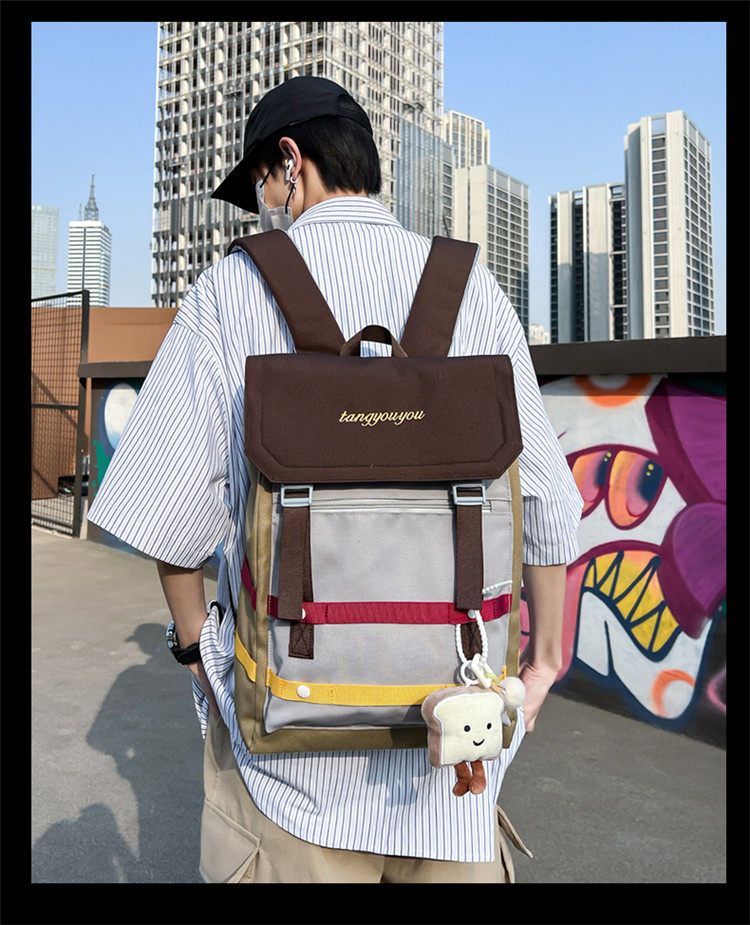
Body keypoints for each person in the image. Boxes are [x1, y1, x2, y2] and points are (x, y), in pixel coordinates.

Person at [86, 75, 583, 884]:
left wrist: (196, 650)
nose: (264, 208)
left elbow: (169, 520)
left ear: (291, 161)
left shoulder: (232, 289)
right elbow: (549, 506)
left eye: (261, 185)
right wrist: (543, 664)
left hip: (288, 773)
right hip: (454, 758)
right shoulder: (471, 288)